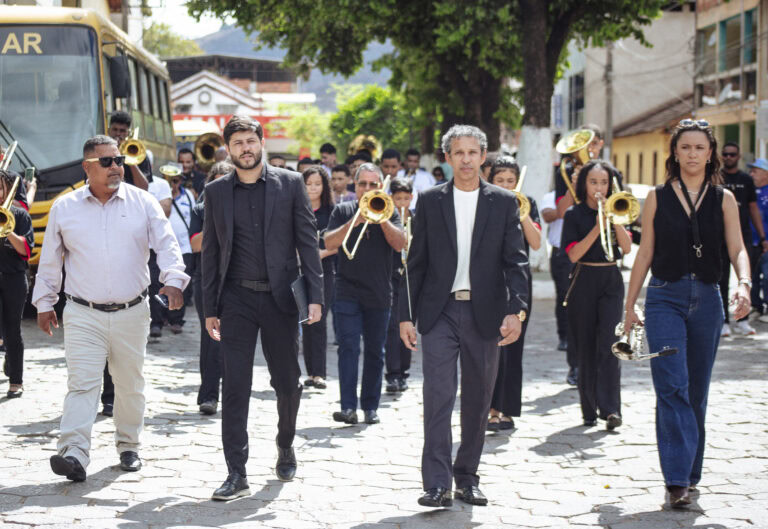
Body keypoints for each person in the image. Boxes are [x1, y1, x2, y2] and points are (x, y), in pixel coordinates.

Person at [33, 135, 187, 482]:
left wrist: (174, 279)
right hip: (82, 312)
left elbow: (167, 245)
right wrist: (44, 303)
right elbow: (51, 261)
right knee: (82, 385)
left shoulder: (143, 202)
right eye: (107, 162)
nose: (117, 167)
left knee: (130, 384)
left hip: (133, 311)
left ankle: (129, 445)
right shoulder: (64, 207)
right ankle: (73, 451)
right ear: (87, 167)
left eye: (119, 160)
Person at [623, 119, 751, 508]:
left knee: (697, 391)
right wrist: (629, 306)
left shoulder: (724, 198)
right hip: (665, 297)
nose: (692, 154)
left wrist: (743, 284)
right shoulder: (658, 197)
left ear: (710, 153)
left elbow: (738, 248)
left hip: (709, 300)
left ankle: (690, 472)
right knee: (672, 385)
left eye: (700, 147)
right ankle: (676, 479)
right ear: (674, 153)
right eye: (685, 147)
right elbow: (644, 252)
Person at [400, 125, 529, 508]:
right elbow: (416, 263)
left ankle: (467, 477)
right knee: (438, 396)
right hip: (439, 313)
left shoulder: (504, 202)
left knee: (478, 399)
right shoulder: (429, 200)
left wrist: (516, 310)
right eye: (459, 153)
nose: (467, 159)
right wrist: (406, 317)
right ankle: (436, 483)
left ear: (484, 155)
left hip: (485, 314)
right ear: (449, 157)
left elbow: (516, 262)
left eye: (474, 152)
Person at [201, 115, 323, 500]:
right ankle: (236, 472)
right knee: (235, 385)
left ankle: (285, 442)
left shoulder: (290, 184)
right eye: (237, 143)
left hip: (280, 298)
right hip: (236, 298)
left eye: (251, 140)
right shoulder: (217, 192)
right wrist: (209, 308)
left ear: (261, 142)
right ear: (229, 149)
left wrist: (316, 296)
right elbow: (210, 251)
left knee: (288, 382)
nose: (245, 148)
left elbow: (307, 240)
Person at [324, 163, 406, 425]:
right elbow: (329, 242)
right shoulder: (344, 209)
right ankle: (348, 407)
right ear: (354, 185)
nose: (368, 189)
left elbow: (400, 243)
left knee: (374, 351)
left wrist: (381, 220)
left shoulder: (389, 209)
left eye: (373, 185)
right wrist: (355, 221)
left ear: (381, 186)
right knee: (348, 347)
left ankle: (370, 406)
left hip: (380, 292)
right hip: (347, 290)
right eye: (363, 184)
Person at [561, 160, 631, 430]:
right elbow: (573, 254)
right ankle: (589, 411)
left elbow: (625, 248)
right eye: (593, 182)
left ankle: (611, 409)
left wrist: (614, 221)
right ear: (584, 184)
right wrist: (597, 224)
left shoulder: (619, 211)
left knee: (610, 345)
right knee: (585, 348)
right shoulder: (574, 215)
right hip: (584, 279)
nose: (599, 188)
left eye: (604, 182)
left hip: (611, 280)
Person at [486, 157, 541, 431]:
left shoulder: (527, 203)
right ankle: (490, 408)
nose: (506, 185)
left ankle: (506, 409)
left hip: (519, 283)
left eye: (510, 180)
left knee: (513, 348)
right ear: (491, 180)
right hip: (490, 282)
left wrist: (522, 213)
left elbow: (536, 242)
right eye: (500, 181)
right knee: (490, 346)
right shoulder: (486, 201)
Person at [189, 160, 233, 415]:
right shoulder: (200, 210)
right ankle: (208, 396)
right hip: (206, 281)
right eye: (216, 181)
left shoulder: (243, 209)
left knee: (234, 341)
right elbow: (196, 244)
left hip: (235, 281)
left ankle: (232, 394)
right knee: (211, 339)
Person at [719, 142, 767, 336]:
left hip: (743, 235)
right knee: (721, 280)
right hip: (718, 236)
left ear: (738, 157)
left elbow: (753, 208)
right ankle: (723, 322)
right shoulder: (716, 177)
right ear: (721, 156)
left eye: (732, 154)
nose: (729, 157)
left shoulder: (746, 179)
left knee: (745, 278)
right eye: (726, 154)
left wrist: (762, 236)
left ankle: (743, 319)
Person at [301, 166, 337, 390]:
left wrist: (320, 253)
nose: (313, 188)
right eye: (308, 184)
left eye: (317, 184)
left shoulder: (332, 211)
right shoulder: (296, 208)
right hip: (300, 270)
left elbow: (338, 243)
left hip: (325, 270)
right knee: (306, 320)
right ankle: (309, 372)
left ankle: (320, 373)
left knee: (320, 320)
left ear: (324, 187)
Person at [0, 169, 34, 399]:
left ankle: (16, 381)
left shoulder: (20, 216)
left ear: (6, 189)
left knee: (13, 330)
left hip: (13, 278)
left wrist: (7, 229)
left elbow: (26, 251)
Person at [541, 189, 576, 382]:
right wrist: (570, 190)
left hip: (582, 252)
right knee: (563, 297)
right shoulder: (551, 196)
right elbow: (556, 214)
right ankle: (564, 336)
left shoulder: (587, 192)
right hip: (560, 253)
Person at [384, 176, 414, 394]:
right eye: (398, 199)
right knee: (393, 328)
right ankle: (392, 374)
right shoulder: (388, 218)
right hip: (392, 276)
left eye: (406, 198)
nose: (402, 203)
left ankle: (404, 372)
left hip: (412, 280)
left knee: (409, 325)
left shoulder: (418, 219)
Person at [166, 169, 196, 334]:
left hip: (185, 247)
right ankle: (160, 317)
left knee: (181, 284)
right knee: (162, 282)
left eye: (175, 181)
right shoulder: (161, 194)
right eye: (169, 181)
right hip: (164, 248)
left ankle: (176, 319)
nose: (172, 185)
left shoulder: (188, 196)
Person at [107, 111, 150, 191]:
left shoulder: (139, 154)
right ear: (109, 130)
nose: (118, 134)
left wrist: (131, 159)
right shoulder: (101, 153)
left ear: (128, 133)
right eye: (115, 129)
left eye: (122, 131)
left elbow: (143, 188)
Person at [748, 159, 768, 321]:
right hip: (751, 242)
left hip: (766, 242)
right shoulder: (751, 191)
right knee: (752, 276)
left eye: (755, 171)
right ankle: (756, 306)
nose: (751, 174)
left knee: (767, 275)